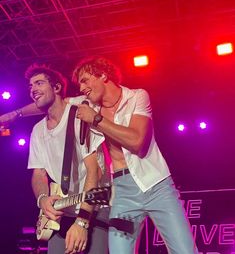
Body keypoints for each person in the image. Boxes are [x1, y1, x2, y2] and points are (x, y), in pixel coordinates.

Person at [0, 56, 198, 253]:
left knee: (184, 251)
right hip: (122, 193)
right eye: (79, 83)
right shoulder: (88, 103)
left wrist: (96, 119)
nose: (82, 87)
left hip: (157, 186)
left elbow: (137, 142)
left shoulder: (137, 97)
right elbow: (51, 103)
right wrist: (13, 115)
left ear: (103, 75)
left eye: (85, 80)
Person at [24, 64, 108, 254]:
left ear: (57, 88)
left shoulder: (79, 115)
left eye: (39, 83)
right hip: (61, 214)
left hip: (93, 209)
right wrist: (42, 199)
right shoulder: (37, 130)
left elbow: (94, 171)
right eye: (30, 86)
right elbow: (38, 173)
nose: (33, 90)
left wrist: (82, 221)